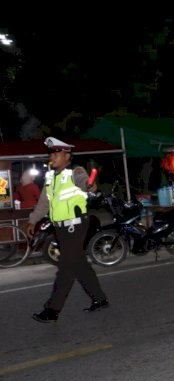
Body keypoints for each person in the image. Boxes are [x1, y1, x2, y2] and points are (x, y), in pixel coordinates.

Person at [25, 137, 109, 323]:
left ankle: (52, 310)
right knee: (80, 265)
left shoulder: (75, 172)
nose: (52, 157)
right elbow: (44, 203)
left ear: (66, 155)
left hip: (75, 225)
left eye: (56, 153)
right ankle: (100, 298)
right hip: (61, 228)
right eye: (51, 153)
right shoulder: (51, 177)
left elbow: (84, 181)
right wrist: (33, 221)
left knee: (66, 268)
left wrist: (89, 185)